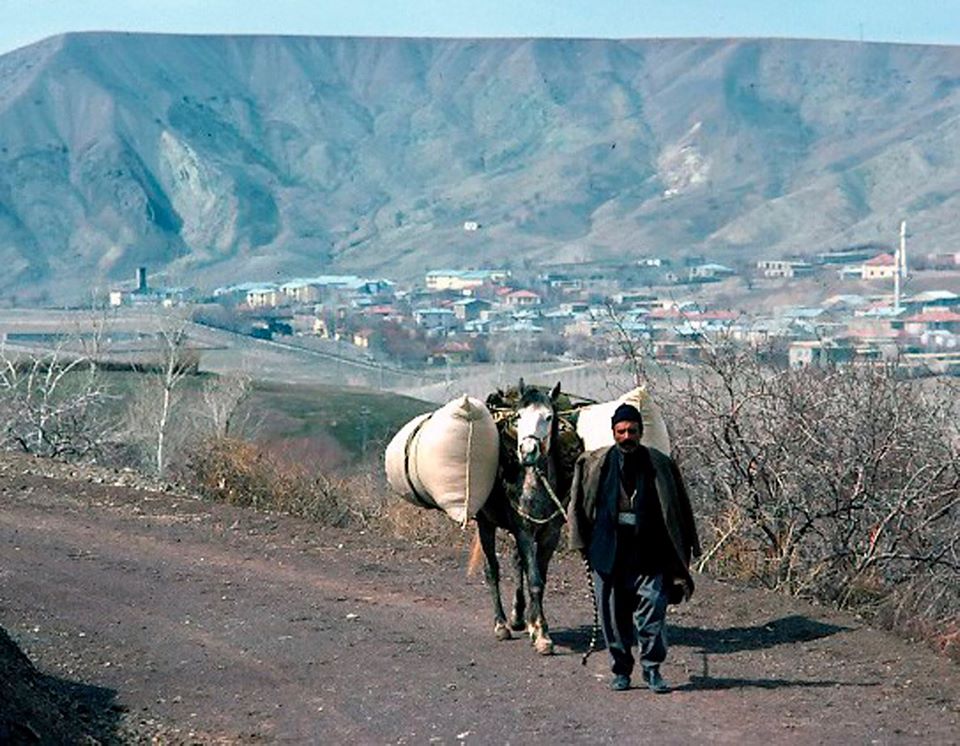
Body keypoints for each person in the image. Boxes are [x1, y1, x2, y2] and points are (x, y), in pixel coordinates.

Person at [567, 402, 700, 693]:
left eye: (632, 431)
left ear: (640, 432)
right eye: (622, 431)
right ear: (613, 432)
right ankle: (621, 671)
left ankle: (652, 669)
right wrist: (581, 545)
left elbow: (679, 508)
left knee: (653, 611)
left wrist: (687, 548)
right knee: (613, 619)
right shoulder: (595, 464)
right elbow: (578, 507)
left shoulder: (660, 464)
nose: (627, 437)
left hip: (650, 552)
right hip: (608, 553)